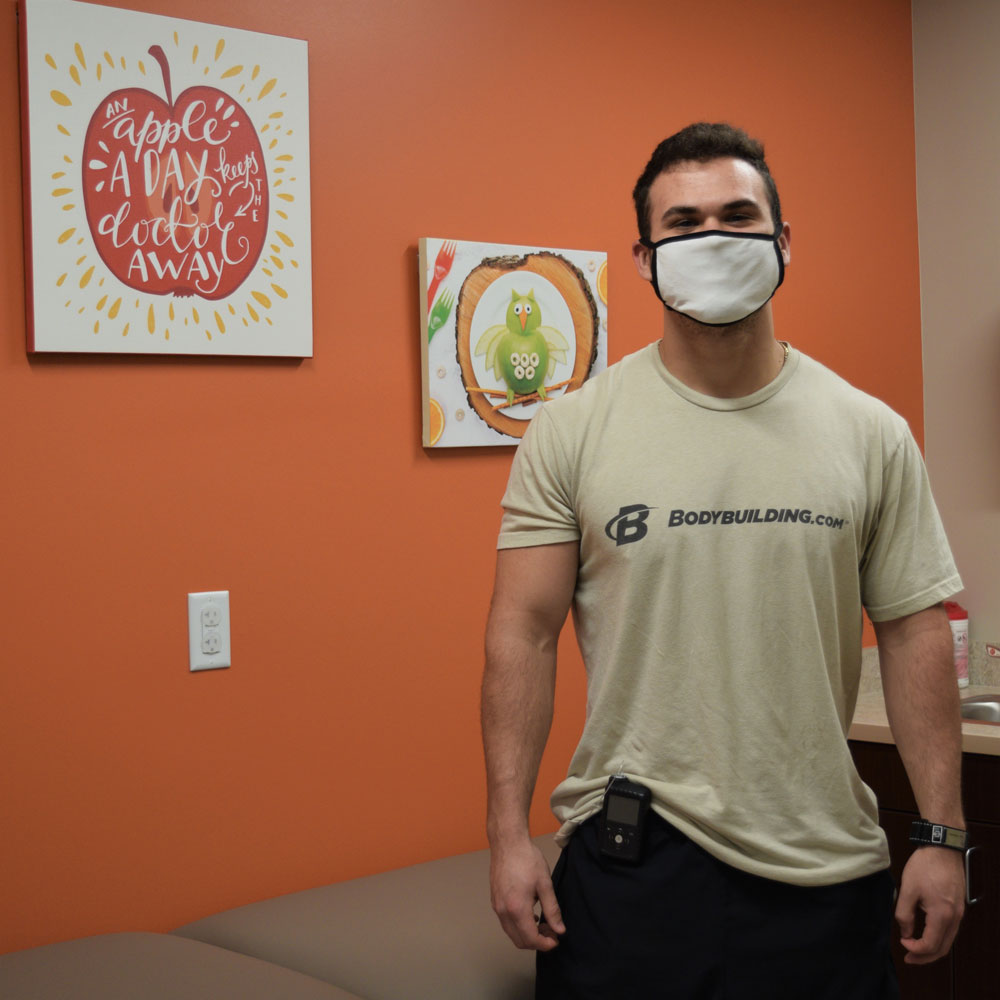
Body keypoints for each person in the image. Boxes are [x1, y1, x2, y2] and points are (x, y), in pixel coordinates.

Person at [481, 122, 967, 999]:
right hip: (629, 871)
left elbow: (914, 630)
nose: (713, 237)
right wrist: (507, 834)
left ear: (782, 241)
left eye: (739, 215)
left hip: (825, 873)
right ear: (644, 255)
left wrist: (941, 836)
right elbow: (524, 631)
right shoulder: (572, 430)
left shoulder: (869, 432)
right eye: (684, 222)